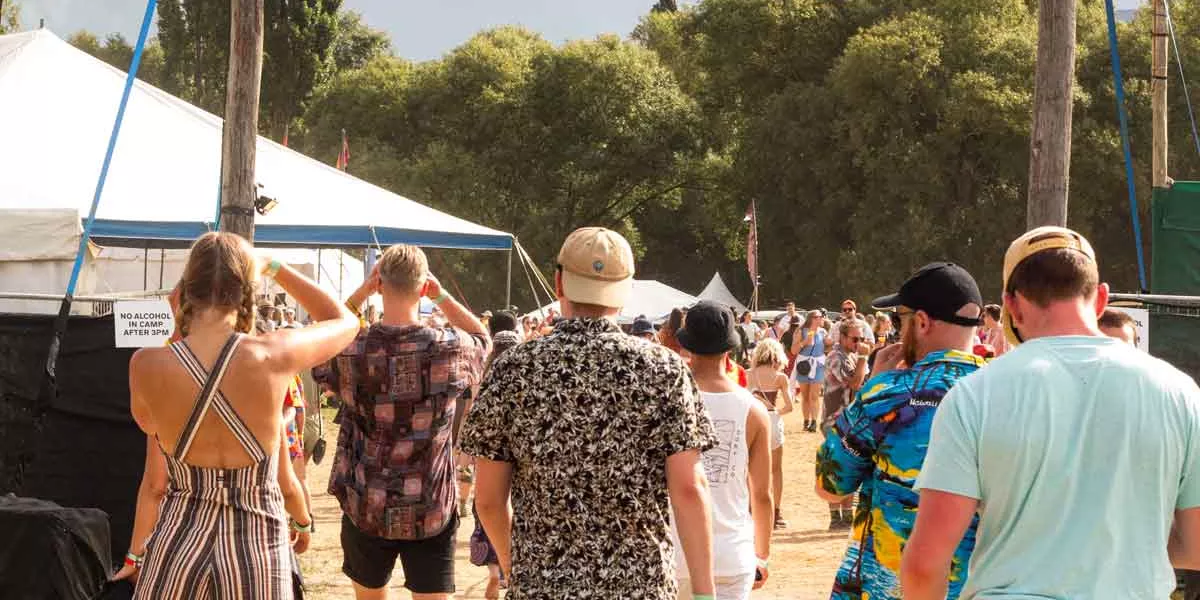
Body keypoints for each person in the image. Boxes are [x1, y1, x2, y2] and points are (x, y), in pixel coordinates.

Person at [902, 227, 1200, 599]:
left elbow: (925, 563)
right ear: (1102, 298)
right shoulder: (1180, 394)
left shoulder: (975, 394)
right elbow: (1196, 545)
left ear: (1011, 305)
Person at [461, 227, 718, 600]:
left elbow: (486, 499)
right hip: (639, 586)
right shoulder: (665, 370)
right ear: (626, 287)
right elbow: (689, 489)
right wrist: (705, 593)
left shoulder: (513, 368)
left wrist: (520, 571)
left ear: (558, 282)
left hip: (542, 586)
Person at [115, 232, 359, 599]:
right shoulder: (272, 356)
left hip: (180, 541)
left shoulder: (146, 365)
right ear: (248, 288)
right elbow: (344, 320)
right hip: (257, 545)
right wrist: (275, 267)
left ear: (185, 289)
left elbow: (150, 430)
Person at [319, 243, 490, 600]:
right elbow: (483, 340)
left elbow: (321, 336)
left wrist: (362, 292)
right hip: (430, 507)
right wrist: (442, 296)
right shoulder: (449, 347)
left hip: (366, 500)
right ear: (424, 285)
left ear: (379, 283)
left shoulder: (353, 348)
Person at [815, 262, 986, 599]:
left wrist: (873, 387)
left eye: (899, 320)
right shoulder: (1007, 391)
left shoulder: (888, 394)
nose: (897, 331)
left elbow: (830, 485)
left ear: (921, 322)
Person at [672, 301, 773, 599]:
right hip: (732, 552)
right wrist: (762, 555)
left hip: (676, 550)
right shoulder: (753, 409)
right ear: (730, 348)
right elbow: (762, 494)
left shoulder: (669, 401)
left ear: (687, 346)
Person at [468, 326, 524, 600]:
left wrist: (462, 456)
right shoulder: (528, 379)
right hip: (520, 468)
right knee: (508, 513)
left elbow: (469, 422)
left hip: (487, 462)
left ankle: (496, 571)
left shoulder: (484, 381)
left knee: (489, 512)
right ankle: (506, 571)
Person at [818, 319, 872, 531]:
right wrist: (864, 357)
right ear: (842, 337)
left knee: (850, 467)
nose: (859, 343)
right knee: (835, 468)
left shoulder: (851, 356)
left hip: (850, 420)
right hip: (835, 420)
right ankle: (835, 516)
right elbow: (854, 383)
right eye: (855, 339)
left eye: (862, 339)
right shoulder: (835, 357)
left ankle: (847, 515)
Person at [746, 339, 795, 531]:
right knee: (776, 470)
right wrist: (774, 413)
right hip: (773, 420)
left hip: (753, 421)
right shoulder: (780, 377)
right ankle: (776, 512)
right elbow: (790, 406)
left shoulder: (748, 375)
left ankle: (752, 510)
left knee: (750, 468)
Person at [791, 310, 827, 433]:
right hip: (804, 366)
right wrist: (804, 343)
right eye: (819, 317)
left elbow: (827, 347)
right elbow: (793, 351)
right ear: (812, 318)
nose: (822, 318)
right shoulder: (801, 331)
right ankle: (806, 420)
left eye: (822, 317)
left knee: (814, 396)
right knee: (805, 396)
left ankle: (814, 422)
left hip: (818, 365)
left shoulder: (823, 332)